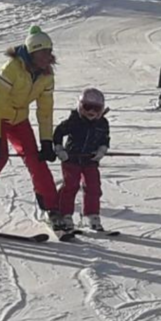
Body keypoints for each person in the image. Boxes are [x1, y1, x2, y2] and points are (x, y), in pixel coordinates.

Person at [0, 25, 62, 231]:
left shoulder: (46, 75)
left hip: (18, 117)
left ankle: (52, 209)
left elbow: (45, 110)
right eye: (43, 52)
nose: (48, 56)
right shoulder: (12, 68)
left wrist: (46, 141)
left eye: (49, 51)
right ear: (32, 53)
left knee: (36, 159)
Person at [54, 88, 110, 232]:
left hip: (90, 160)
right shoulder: (74, 121)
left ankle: (92, 215)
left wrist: (102, 150)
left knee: (93, 187)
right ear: (80, 106)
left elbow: (105, 138)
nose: (91, 112)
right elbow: (58, 132)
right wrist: (59, 149)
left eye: (96, 108)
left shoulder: (102, 123)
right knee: (70, 186)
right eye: (87, 107)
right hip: (71, 159)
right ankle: (65, 214)